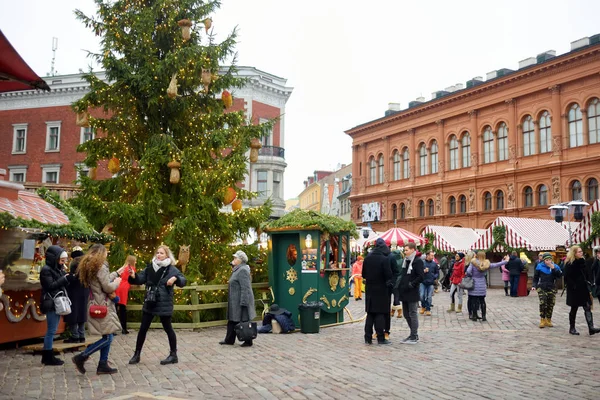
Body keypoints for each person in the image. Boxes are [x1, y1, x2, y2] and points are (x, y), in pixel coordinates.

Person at [128, 245, 187, 363]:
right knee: (143, 328)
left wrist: (175, 278)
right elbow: (140, 279)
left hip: (164, 302)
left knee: (168, 328)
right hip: (150, 301)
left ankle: (173, 354)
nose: (159, 255)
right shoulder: (150, 267)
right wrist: (133, 276)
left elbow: (183, 280)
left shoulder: (171, 269)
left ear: (167, 255)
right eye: (157, 253)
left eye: (162, 253)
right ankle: (137, 354)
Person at [71, 244, 121, 374]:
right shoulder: (100, 266)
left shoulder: (90, 265)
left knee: (107, 333)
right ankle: (82, 356)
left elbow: (101, 281)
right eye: (105, 253)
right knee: (108, 337)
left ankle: (103, 364)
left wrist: (115, 273)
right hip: (102, 304)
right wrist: (117, 283)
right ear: (101, 253)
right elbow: (107, 287)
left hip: (94, 302)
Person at [39, 245, 70, 366]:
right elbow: (50, 286)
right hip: (51, 302)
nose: (63, 263)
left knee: (53, 329)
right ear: (55, 258)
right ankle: (47, 356)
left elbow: (60, 284)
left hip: (56, 301)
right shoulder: (46, 269)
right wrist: (64, 278)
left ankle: (48, 354)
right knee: (51, 330)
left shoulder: (57, 268)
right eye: (62, 260)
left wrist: (67, 278)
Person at [220, 250, 256, 347]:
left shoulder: (243, 270)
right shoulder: (237, 269)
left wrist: (244, 302)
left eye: (235, 258)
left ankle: (248, 341)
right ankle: (229, 340)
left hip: (240, 301)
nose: (233, 259)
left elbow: (245, 287)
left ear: (241, 260)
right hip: (234, 301)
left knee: (243, 320)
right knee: (232, 320)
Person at [563, 245, 600, 336]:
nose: (581, 253)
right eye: (579, 252)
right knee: (574, 308)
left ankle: (591, 328)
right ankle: (572, 328)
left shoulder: (583, 261)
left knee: (587, 307)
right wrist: (573, 286)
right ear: (574, 253)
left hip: (583, 288)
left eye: (581, 251)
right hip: (574, 289)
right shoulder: (570, 263)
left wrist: (589, 282)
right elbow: (567, 277)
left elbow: (587, 273)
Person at [362, 238, 393, 345]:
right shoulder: (384, 259)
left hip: (370, 289)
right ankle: (380, 338)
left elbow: (364, 274)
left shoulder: (367, 258)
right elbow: (388, 275)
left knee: (370, 314)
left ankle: (367, 338)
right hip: (381, 289)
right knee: (379, 314)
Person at [466, 252, 508, 321]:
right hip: (482, 283)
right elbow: (496, 265)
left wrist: (471, 275)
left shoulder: (473, 263)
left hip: (474, 283)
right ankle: (483, 316)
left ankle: (474, 315)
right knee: (482, 300)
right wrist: (504, 261)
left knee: (473, 300)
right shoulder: (486, 263)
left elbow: (468, 271)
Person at [398, 242, 424, 344]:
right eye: (404, 250)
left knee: (412, 313)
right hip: (404, 290)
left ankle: (414, 335)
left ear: (413, 250)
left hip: (412, 291)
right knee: (406, 314)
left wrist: (412, 284)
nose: (405, 252)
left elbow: (421, 276)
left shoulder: (417, 261)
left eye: (406, 250)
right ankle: (412, 334)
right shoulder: (406, 261)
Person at [531, 253, 562, 328]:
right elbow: (536, 277)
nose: (548, 261)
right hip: (542, 287)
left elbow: (559, 276)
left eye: (550, 259)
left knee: (551, 303)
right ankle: (542, 319)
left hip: (551, 287)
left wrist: (553, 268)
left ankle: (548, 319)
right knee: (543, 302)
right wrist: (534, 286)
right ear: (544, 260)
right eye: (547, 260)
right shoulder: (539, 266)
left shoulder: (555, 266)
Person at [64, 247, 88, 343]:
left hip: (74, 291)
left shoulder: (75, 263)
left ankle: (75, 336)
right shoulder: (86, 264)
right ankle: (82, 335)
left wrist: (67, 277)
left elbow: (73, 277)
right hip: (84, 290)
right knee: (82, 312)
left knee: (73, 313)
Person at [115, 255, 137, 334]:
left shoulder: (123, 267)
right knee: (122, 308)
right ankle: (124, 328)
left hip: (118, 286)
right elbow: (134, 277)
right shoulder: (131, 268)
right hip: (124, 287)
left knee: (115, 307)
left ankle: (113, 328)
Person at [420, 251, 439, 316]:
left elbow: (437, 272)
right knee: (421, 296)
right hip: (423, 282)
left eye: (433, 255)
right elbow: (418, 272)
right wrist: (423, 271)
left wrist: (434, 276)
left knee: (429, 297)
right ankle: (423, 306)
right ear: (427, 256)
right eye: (431, 255)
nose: (433, 257)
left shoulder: (434, 264)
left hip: (431, 282)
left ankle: (428, 309)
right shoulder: (422, 263)